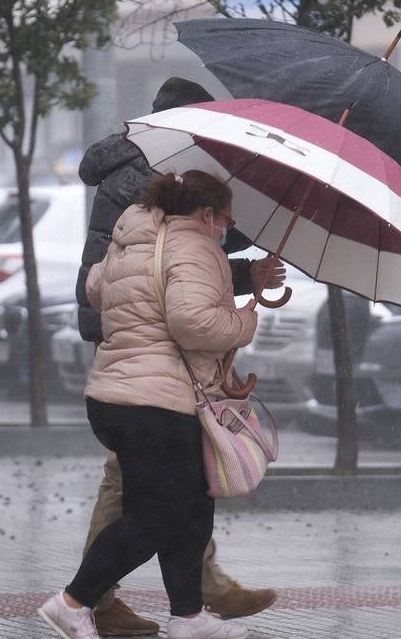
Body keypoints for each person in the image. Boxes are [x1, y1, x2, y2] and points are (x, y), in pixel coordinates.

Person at [71, 78, 281, 637]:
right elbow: (177, 271)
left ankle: (191, 604)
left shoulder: (158, 170)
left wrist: (243, 271)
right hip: (147, 349)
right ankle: (91, 598)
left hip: (137, 331)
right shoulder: (154, 176)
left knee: (185, 482)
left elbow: (167, 267)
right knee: (147, 490)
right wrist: (243, 309)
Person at [40, 171, 259, 639]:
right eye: (225, 222)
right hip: (158, 403)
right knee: (155, 515)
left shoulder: (132, 239)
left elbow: (96, 289)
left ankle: (188, 616)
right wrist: (243, 322)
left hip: (115, 398)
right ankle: (73, 601)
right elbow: (191, 322)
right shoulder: (197, 246)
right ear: (206, 214)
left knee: (193, 503)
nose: (225, 232)